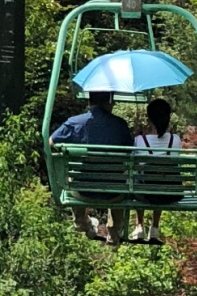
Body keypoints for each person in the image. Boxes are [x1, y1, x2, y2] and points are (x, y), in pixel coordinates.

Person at [49, 89, 134, 245]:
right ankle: (114, 231)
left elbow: (51, 142)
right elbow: (130, 150)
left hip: (83, 191)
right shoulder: (120, 125)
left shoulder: (75, 123)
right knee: (119, 181)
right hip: (114, 192)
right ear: (109, 102)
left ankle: (82, 223)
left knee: (72, 178)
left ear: (89, 102)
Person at [130, 97, 182, 245]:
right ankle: (154, 227)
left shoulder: (140, 140)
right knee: (162, 176)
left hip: (144, 193)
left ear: (149, 118)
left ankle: (139, 226)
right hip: (169, 194)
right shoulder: (175, 140)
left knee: (140, 177)